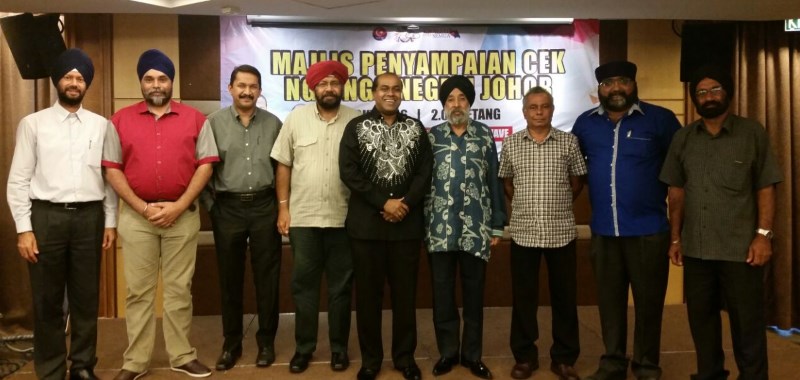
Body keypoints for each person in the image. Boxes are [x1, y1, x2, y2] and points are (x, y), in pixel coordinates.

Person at [102, 49, 219, 380]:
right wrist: (142, 207)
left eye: (162, 78)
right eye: (149, 78)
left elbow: (206, 166)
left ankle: (181, 355)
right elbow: (112, 170)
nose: (156, 84)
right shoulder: (119, 121)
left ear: (172, 82)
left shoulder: (196, 119)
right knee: (138, 291)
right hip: (137, 218)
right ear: (141, 82)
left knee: (179, 289)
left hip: (182, 216)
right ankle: (135, 361)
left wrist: (179, 206)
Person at [659, 65, 782, 380]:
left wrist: (763, 236)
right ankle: (710, 374)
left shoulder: (751, 133)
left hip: (741, 250)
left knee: (747, 323)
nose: (708, 96)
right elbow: (676, 191)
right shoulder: (684, 138)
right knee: (701, 321)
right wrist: (675, 238)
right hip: (697, 250)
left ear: (727, 92)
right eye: (701, 92)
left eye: (714, 89)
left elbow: (765, 186)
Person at [7, 48, 118, 380]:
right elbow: (18, 180)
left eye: (80, 78)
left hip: (89, 219)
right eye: (68, 77)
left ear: (87, 85)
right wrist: (24, 229)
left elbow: (110, 178)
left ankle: (82, 366)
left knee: (86, 298)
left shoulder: (102, 126)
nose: (74, 83)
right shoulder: (33, 124)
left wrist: (110, 221)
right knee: (47, 300)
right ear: (58, 81)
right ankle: (52, 369)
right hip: (46, 219)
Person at [571, 61, 681, 380]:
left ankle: (646, 365)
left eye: (622, 81)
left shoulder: (661, 120)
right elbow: (574, 170)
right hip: (605, 231)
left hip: (649, 231)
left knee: (648, 304)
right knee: (609, 303)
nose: (615, 88)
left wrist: (677, 234)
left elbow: (679, 175)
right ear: (599, 89)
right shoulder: (585, 124)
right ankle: (613, 363)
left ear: (633, 84)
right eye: (607, 83)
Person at [338, 72, 433, 380]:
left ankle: (405, 358)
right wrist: (384, 203)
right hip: (366, 229)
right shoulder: (356, 127)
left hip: (406, 227)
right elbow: (349, 172)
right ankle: (371, 360)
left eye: (396, 89)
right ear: (374, 93)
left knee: (405, 297)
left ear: (401, 93)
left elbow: (425, 172)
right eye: (384, 88)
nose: (390, 93)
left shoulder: (415, 128)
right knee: (368, 298)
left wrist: (404, 204)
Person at [270, 60, 360, 374]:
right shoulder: (296, 119)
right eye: (323, 83)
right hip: (304, 219)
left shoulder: (356, 121)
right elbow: (284, 164)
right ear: (313, 88)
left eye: (334, 83)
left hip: (344, 220)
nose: (329, 88)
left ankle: (338, 349)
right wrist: (283, 207)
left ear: (342, 86)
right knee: (304, 287)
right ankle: (304, 349)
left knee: (341, 289)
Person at [199, 64, 283, 371]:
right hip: (228, 209)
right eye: (241, 86)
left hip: (264, 207)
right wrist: (212, 207)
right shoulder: (213, 123)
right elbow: (202, 168)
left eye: (253, 86)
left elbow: (283, 169)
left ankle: (266, 343)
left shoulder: (274, 124)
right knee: (230, 280)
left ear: (260, 91)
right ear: (230, 88)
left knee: (268, 279)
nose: (247, 91)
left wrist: (280, 206)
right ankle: (231, 345)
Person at [499, 87, 586, 380]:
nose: (539, 112)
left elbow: (577, 183)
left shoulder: (568, 142)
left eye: (544, 106)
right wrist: (526, 206)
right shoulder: (511, 143)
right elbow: (507, 183)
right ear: (524, 112)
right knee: (524, 299)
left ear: (552, 109)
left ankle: (564, 359)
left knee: (565, 298)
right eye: (533, 107)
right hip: (524, 233)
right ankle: (525, 357)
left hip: (561, 232)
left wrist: (556, 205)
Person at [424, 75, 505, 380]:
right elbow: (422, 183)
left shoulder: (484, 135)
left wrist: (497, 225)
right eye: (450, 99)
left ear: (469, 103)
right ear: (444, 105)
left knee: (474, 294)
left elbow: (494, 180)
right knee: (442, 293)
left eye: (461, 99)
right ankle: (448, 353)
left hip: (476, 228)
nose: (456, 104)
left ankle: (472, 355)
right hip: (439, 228)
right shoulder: (432, 137)